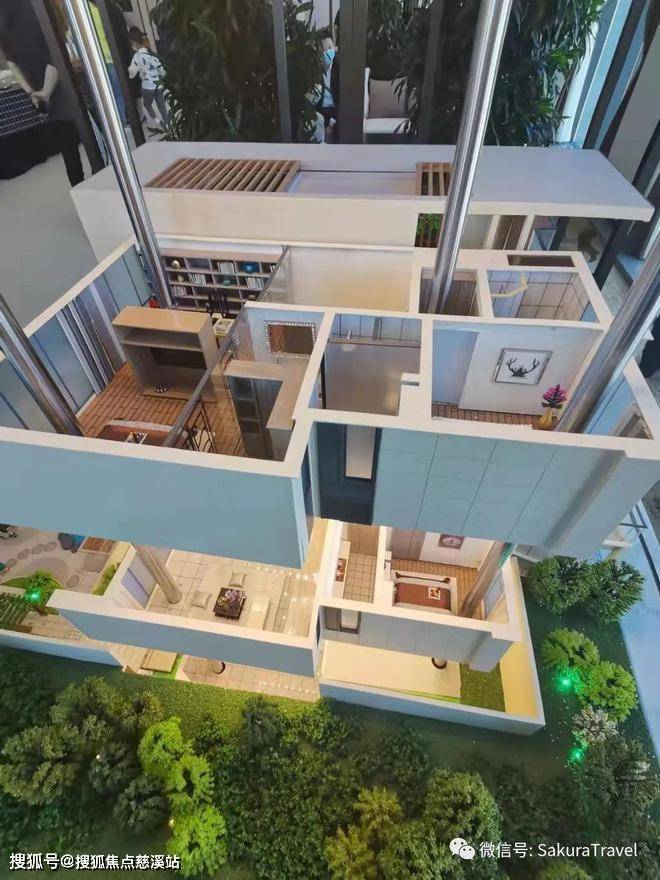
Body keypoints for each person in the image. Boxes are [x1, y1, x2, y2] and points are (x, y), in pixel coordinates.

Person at [0, 0, 84, 186]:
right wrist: (45, 91)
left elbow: (11, 62)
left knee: (68, 147)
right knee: (82, 140)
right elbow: (55, 52)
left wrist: (32, 93)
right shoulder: (40, 6)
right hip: (58, 83)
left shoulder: (4, 14)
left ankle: (80, 189)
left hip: (38, 88)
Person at [128, 27, 169, 130]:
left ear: (133, 43)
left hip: (147, 87)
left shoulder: (137, 57)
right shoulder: (153, 54)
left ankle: (157, 121)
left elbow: (132, 73)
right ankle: (168, 124)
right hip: (159, 85)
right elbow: (161, 70)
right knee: (162, 106)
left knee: (147, 104)